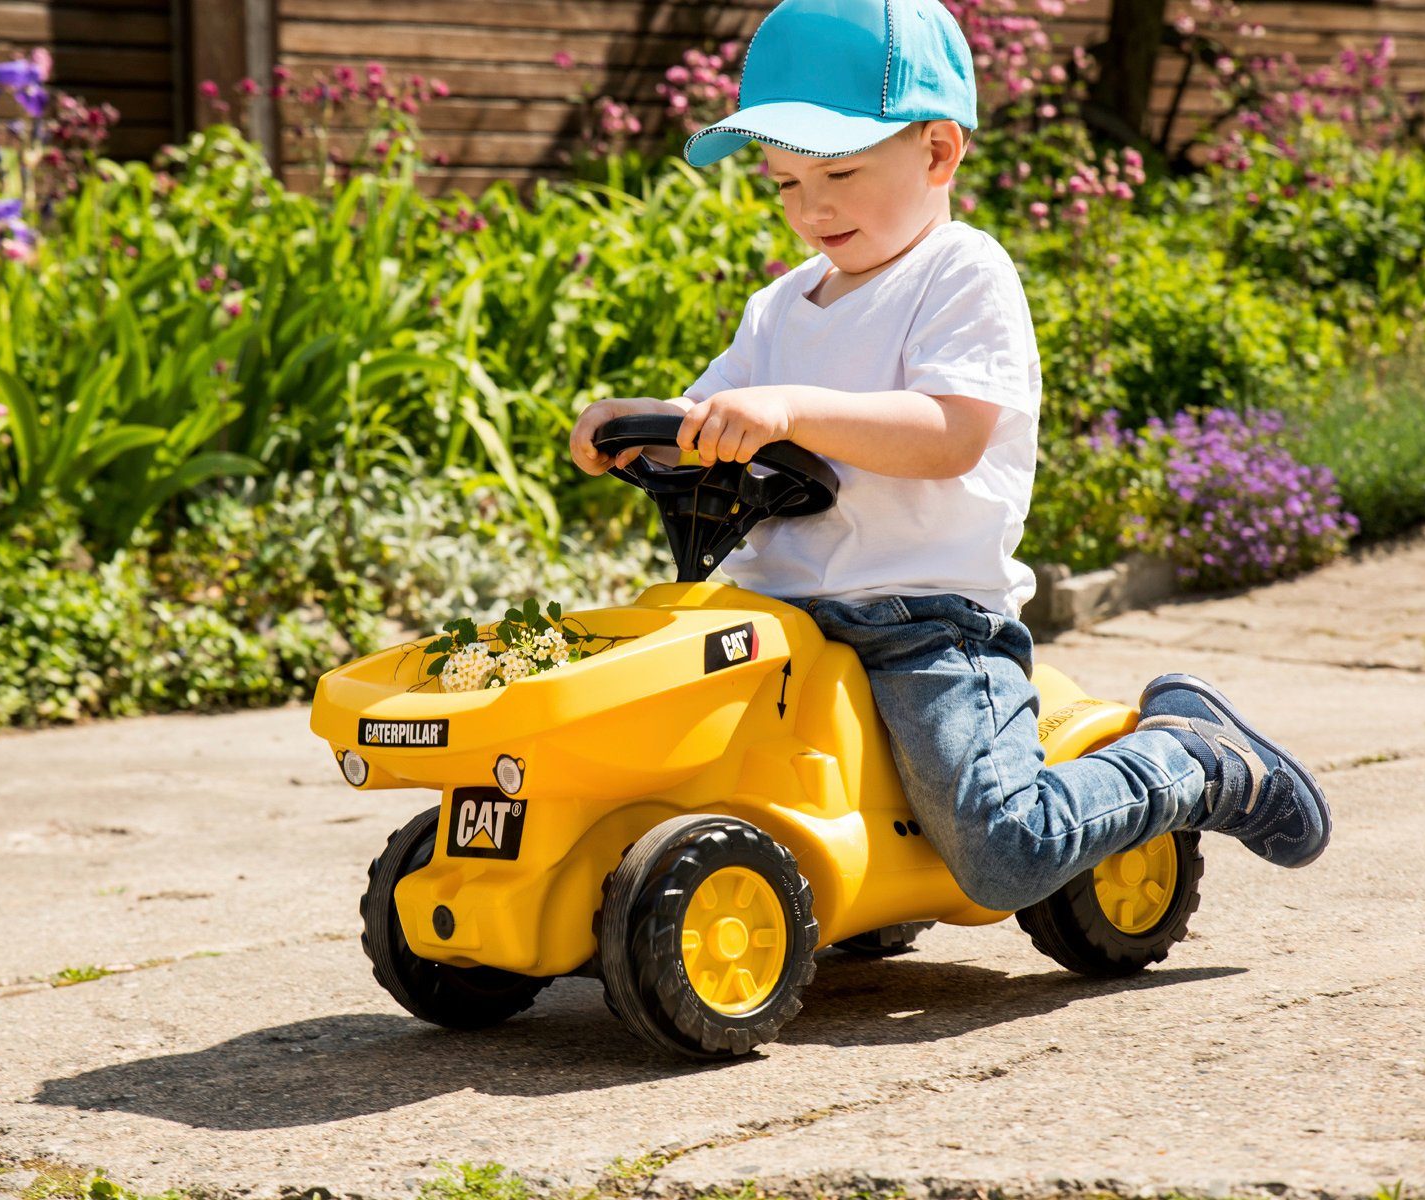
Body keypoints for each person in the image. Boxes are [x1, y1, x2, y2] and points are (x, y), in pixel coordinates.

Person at [568, 0, 1329, 914]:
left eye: (838, 171)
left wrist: (791, 411)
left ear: (937, 152)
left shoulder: (961, 274)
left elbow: (950, 435)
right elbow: (706, 423)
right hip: (778, 617)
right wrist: (633, 421)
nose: (811, 208)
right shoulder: (777, 309)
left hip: (923, 624)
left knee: (1005, 850)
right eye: (784, 184)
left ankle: (1195, 758)